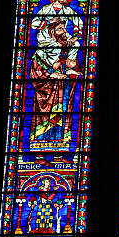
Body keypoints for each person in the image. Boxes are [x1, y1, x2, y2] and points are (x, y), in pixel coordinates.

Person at [29, 18, 80, 148]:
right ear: (51, 32)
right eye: (59, 29)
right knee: (46, 122)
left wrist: (72, 71)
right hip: (47, 94)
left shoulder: (67, 51)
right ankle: (40, 154)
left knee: (61, 119)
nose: (63, 32)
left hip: (63, 92)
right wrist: (52, 72)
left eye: (64, 29)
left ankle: (60, 150)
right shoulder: (40, 53)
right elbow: (36, 75)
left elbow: (68, 67)